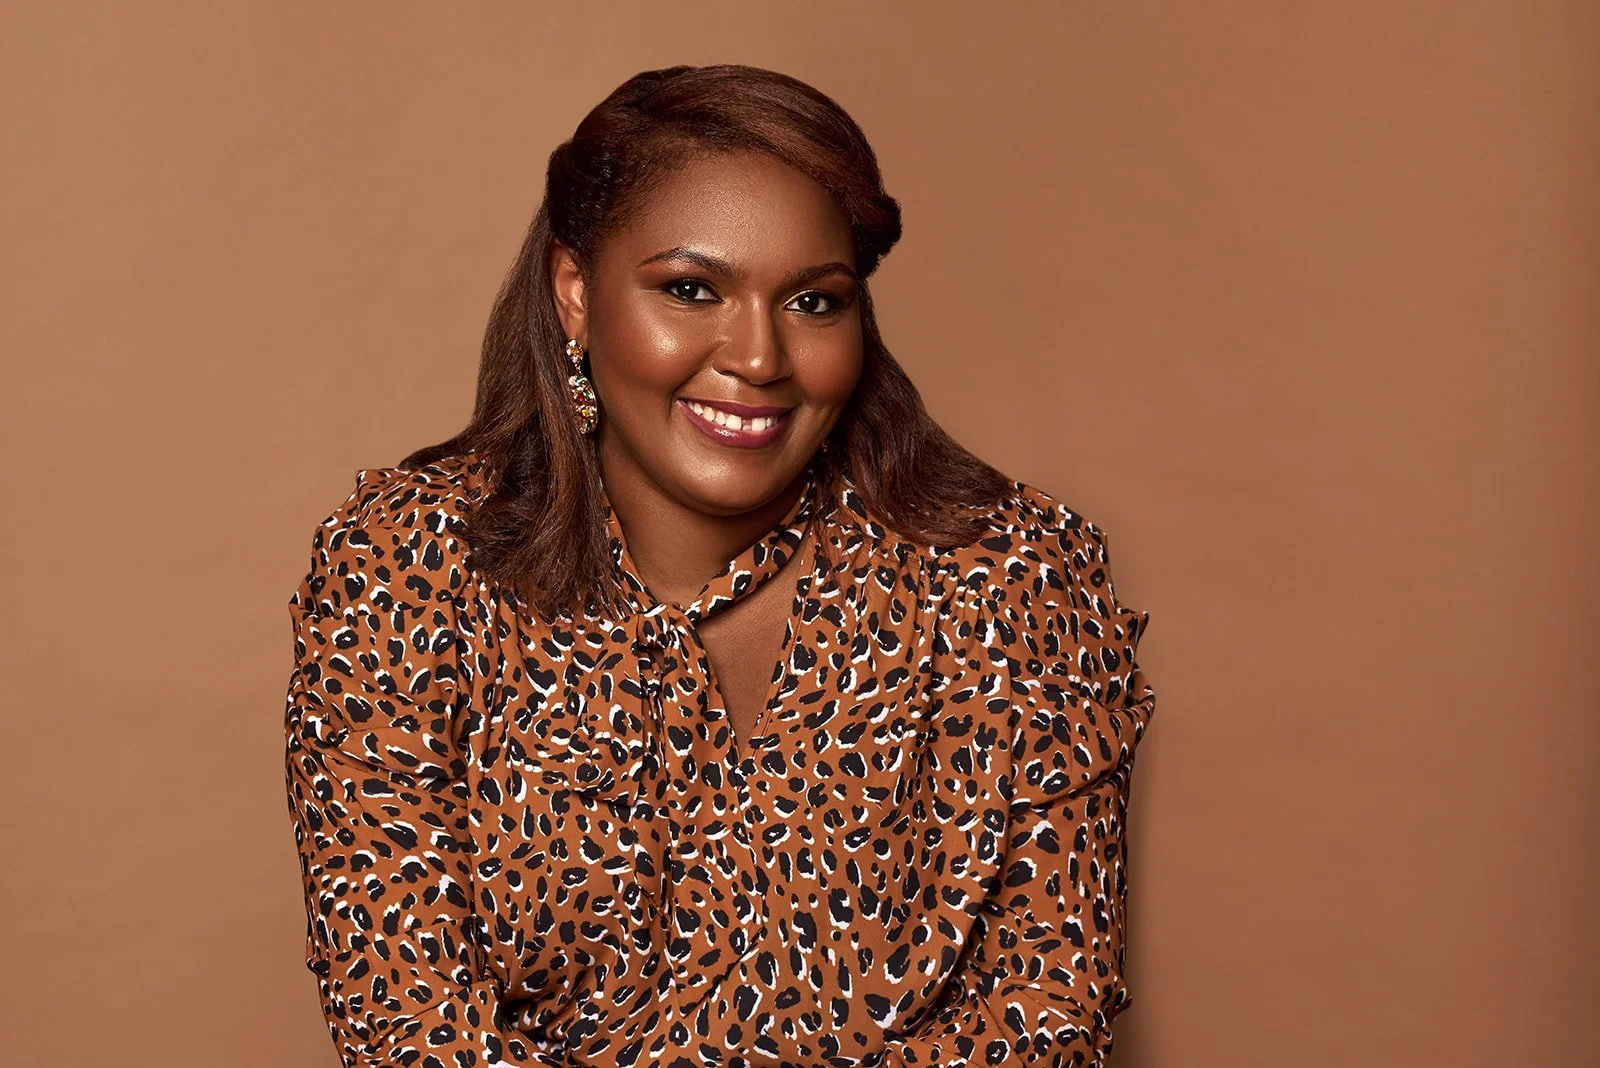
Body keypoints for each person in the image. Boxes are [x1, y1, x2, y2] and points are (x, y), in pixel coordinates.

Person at [283, 63, 1157, 1068]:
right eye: (691, 290)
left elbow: (1045, 1012)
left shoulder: (1013, 582)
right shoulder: (406, 568)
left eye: (814, 302)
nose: (758, 358)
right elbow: (406, 1022)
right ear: (575, 293)